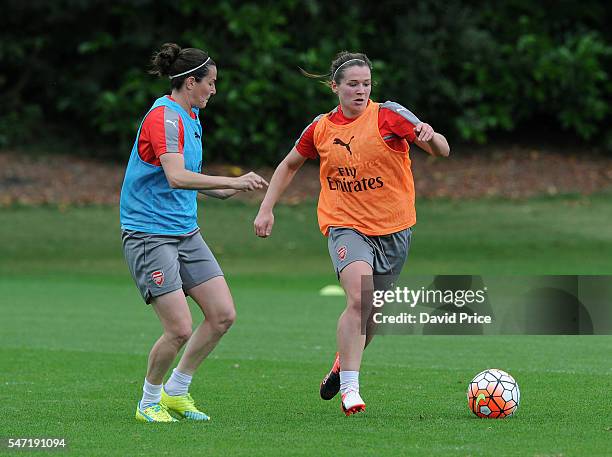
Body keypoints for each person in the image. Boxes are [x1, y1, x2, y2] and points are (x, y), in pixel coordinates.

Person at [254, 51, 450, 416]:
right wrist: (266, 208)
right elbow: (289, 164)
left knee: (371, 312)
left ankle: (340, 364)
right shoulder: (321, 128)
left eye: (366, 84)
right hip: (345, 225)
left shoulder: (390, 115)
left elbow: (442, 150)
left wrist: (430, 134)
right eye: (353, 84)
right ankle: (351, 390)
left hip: (394, 228)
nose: (360, 91)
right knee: (360, 300)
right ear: (335, 87)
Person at [120, 43, 267, 422]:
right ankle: (148, 402)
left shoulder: (190, 116)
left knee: (222, 315)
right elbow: (176, 175)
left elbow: (190, 181)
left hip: (185, 231)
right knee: (179, 328)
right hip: (150, 234)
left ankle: (176, 392)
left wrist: (232, 188)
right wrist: (230, 179)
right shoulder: (165, 119)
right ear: (190, 82)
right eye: (211, 83)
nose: (214, 90)